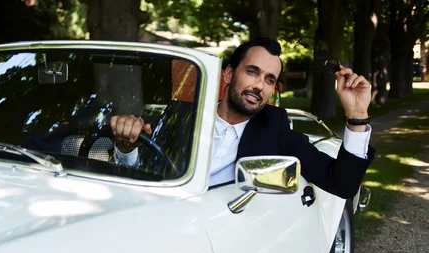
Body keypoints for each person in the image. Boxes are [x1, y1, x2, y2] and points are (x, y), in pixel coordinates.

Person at [110, 37, 374, 199]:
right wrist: (126, 148)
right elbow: (141, 173)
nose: (259, 85)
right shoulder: (181, 115)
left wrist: (357, 116)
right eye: (252, 72)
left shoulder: (275, 127)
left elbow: (342, 184)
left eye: (269, 79)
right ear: (227, 75)